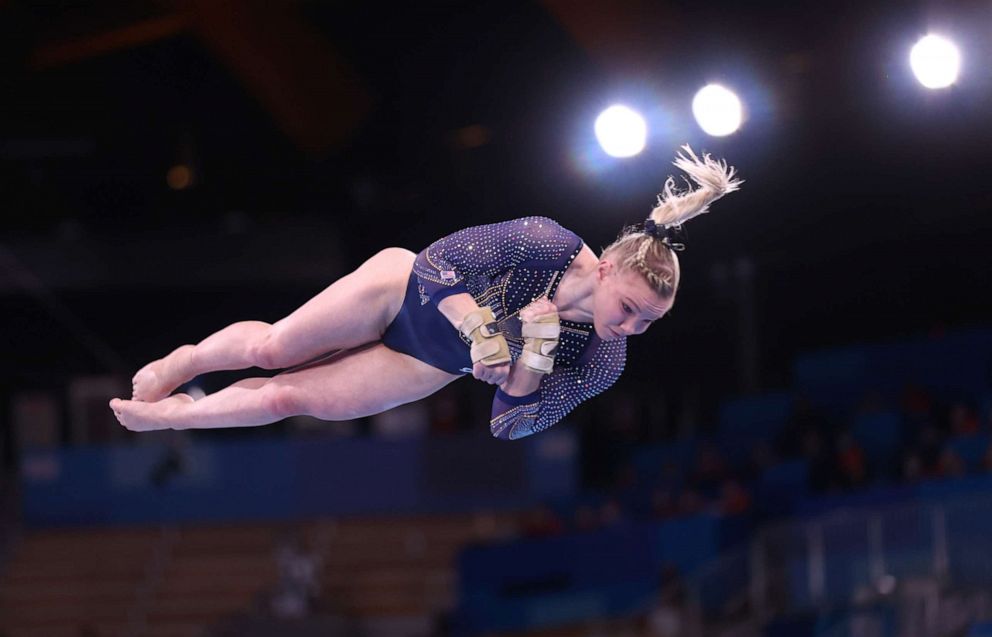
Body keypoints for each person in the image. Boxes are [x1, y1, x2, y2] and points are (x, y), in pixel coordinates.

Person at [109, 146, 741, 440]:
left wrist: (534, 361)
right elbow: (439, 264)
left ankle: (172, 416)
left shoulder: (601, 358)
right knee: (276, 349)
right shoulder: (545, 240)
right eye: (630, 309)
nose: (631, 328)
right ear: (605, 268)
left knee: (287, 396)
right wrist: (482, 332)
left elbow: (512, 424)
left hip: (424, 361)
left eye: (650, 322)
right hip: (401, 291)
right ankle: (188, 361)